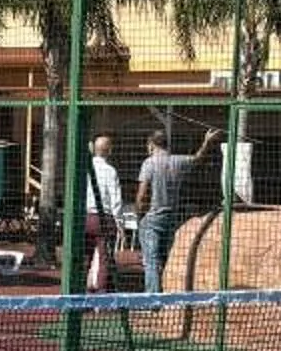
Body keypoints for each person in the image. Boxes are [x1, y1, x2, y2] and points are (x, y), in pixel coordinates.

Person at [133, 125, 224, 294]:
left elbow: (142, 194)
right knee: (167, 256)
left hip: (153, 217)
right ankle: (169, 292)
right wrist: (206, 142)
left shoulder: (149, 163)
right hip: (172, 216)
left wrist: (139, 215)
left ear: (151, 144)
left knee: (151, 260)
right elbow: (198, 158)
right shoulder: (177, 161)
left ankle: (152, 297)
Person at [82, 133, 130, 291]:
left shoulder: (84, 169)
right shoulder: (110, 171)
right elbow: (116, 199)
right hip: (104, 218)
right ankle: (100, 294)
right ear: (109, 150)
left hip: (85, 216)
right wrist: (120, 223)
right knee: (104, 258)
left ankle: (80, 290)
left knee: (84, 256)